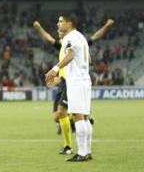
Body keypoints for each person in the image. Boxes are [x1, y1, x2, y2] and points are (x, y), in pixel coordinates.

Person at [33, 19, 114, 155]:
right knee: (57, 117)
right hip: (66, 81)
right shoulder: (65, 44)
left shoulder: (74, 41)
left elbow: (95, 37)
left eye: (61, 25)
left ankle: (71, 148)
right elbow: (49, 39)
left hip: (71, 81)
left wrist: (106, 26)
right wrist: (39, 28)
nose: (58, 29)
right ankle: (76, 145)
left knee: (69, 114)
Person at [45, 14, 93, 162]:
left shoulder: (69, 38)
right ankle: (88, 151)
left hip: (76, 81)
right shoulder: (81, 37)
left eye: (61, 21)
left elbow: (70, 55)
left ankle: (82, 153)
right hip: (85, 79)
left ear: (69, 23)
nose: (58, 24)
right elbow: (89, 59)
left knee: (78, 116)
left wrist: (55, 69)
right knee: (84, 117)